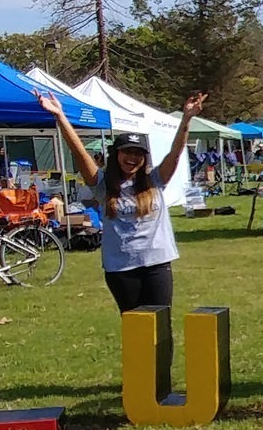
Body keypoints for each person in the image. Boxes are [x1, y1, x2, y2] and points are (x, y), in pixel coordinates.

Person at [42, 91, 201, 311]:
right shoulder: (102, 185)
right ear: (116, 154)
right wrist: (60, 116)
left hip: (156, 264)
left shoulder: (155, 180)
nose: (132, 158)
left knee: (161, 328)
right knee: (134, 330)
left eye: (138, 153)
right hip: (121, 269)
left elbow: (175, 153)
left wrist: (186, 119)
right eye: (127, 152)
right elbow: (79, 152)